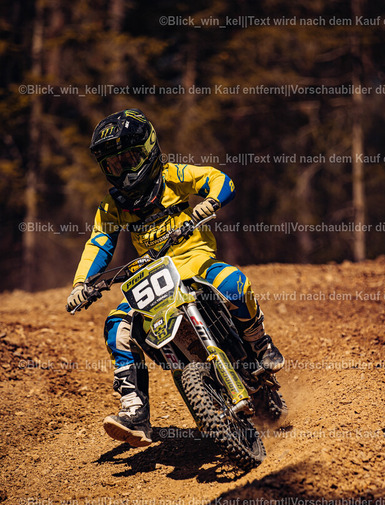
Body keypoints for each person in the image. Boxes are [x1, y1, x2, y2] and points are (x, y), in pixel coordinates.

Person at [67, 108, 284, 448]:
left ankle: (258, 343)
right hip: (151, 278)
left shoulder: (173, 175)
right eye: (114, 165)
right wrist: (82, 284)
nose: (123, 170)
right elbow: (100, 242)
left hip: (194, 262)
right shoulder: (112, 206)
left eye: (129, 159)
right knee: (116, 326)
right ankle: (134, 411)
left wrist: (210, 202)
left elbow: (218, 179)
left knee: (234, 283)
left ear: (148, 150)